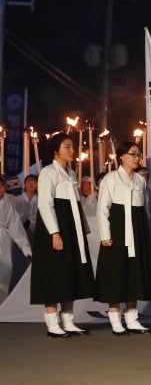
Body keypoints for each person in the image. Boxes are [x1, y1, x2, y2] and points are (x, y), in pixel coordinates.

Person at [31, 133, 94, 338]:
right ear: (56, 150)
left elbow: (76, 206)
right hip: (55, 228)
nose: (72, 150)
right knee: (54, 272)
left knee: (71, 271)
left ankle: (68, 321)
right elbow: (45, 204)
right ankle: (52, 322)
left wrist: (82, 229)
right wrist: (55, 233)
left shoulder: (71, 173)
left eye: (72, 147)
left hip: (72, 228)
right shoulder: (49, 172)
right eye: (67, 147)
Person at [95, 141, 151, 335]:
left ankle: (132, 318)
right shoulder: (111, 179)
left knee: (135, 273)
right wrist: (106, 235)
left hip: (136, 231)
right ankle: (115, 318)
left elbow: (143, 209)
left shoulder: (140, 181)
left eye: (139, 155)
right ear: (121, 156)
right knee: (116, 274)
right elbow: (102, 209)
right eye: (133, 154)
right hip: (118, 232)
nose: (137, 158)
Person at [0, 174, 32, 303]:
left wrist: (25, 247)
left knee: (4, 273)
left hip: (3, 241)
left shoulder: (7, 207)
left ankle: (1, 307)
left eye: (1, 186)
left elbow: (16, 227)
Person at [14, 174, 38, 240]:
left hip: (36, 233)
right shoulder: (17, 200)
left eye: (34, 182)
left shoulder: (41, 200)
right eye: (29, 181)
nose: (31, 184)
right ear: (24, 184)